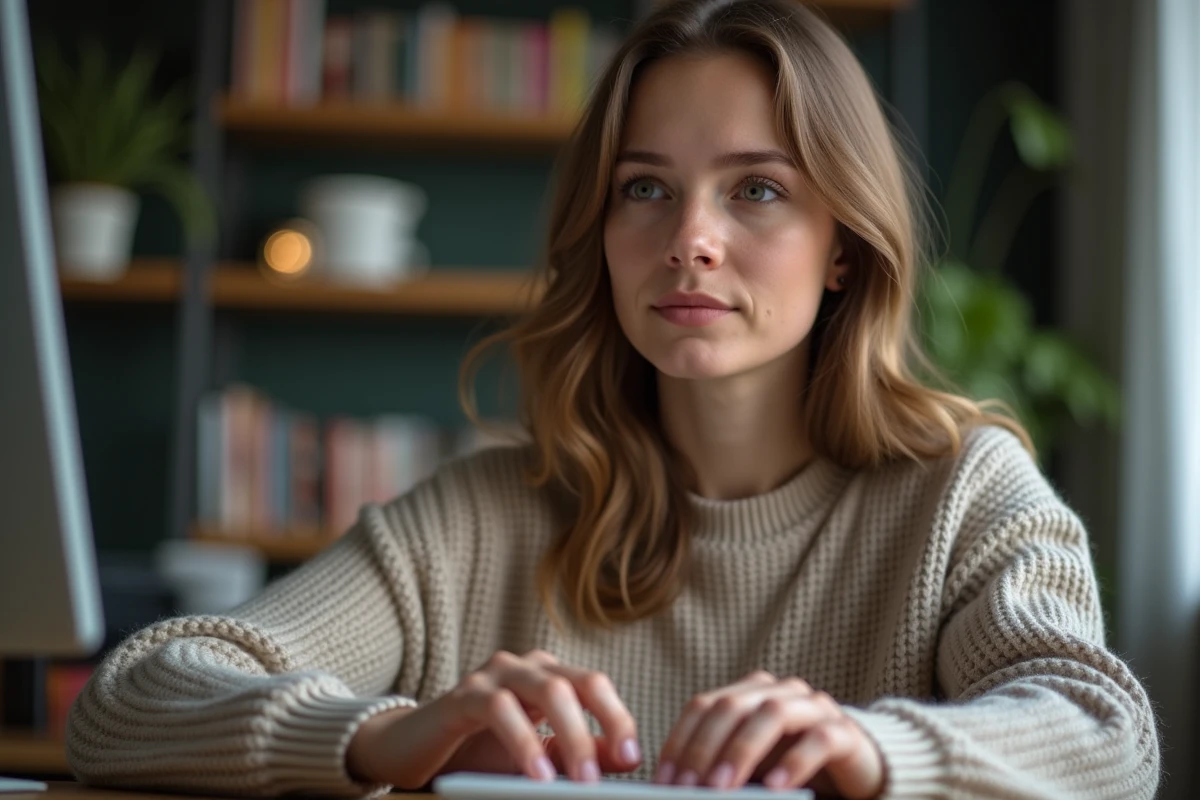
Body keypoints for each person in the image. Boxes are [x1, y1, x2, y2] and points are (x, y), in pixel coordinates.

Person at [66, 0, 1160, 797]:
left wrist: (876, 751)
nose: (690, 237)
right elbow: (131, 696)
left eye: (758, 189)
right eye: (645, 188)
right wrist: (390, 735)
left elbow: (1107, 736)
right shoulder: (484, 515)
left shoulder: (964, 495)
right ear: (601, 231)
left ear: (842, 248)